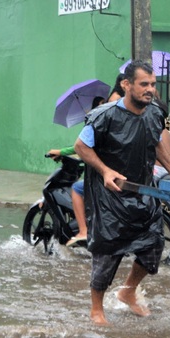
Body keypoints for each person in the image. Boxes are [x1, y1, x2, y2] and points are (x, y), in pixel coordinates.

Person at [74, 61, 170, 325]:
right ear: (127, 85)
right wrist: (104, 170)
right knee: (107, 252)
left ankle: (128, 292)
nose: (150, 90)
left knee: (154, 245)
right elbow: (80, 147)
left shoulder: (154, 113)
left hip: (142, 193)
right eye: (144, 84)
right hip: (110, 196)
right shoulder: (104, 115)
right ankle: (96, 310)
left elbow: (155, 141)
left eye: (153, 84)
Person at [47, 95, 106, 245]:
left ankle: (83, 231)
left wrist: (60, 152)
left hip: (105, 175)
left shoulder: (99, 121)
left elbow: (80, 147)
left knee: (77, 188)